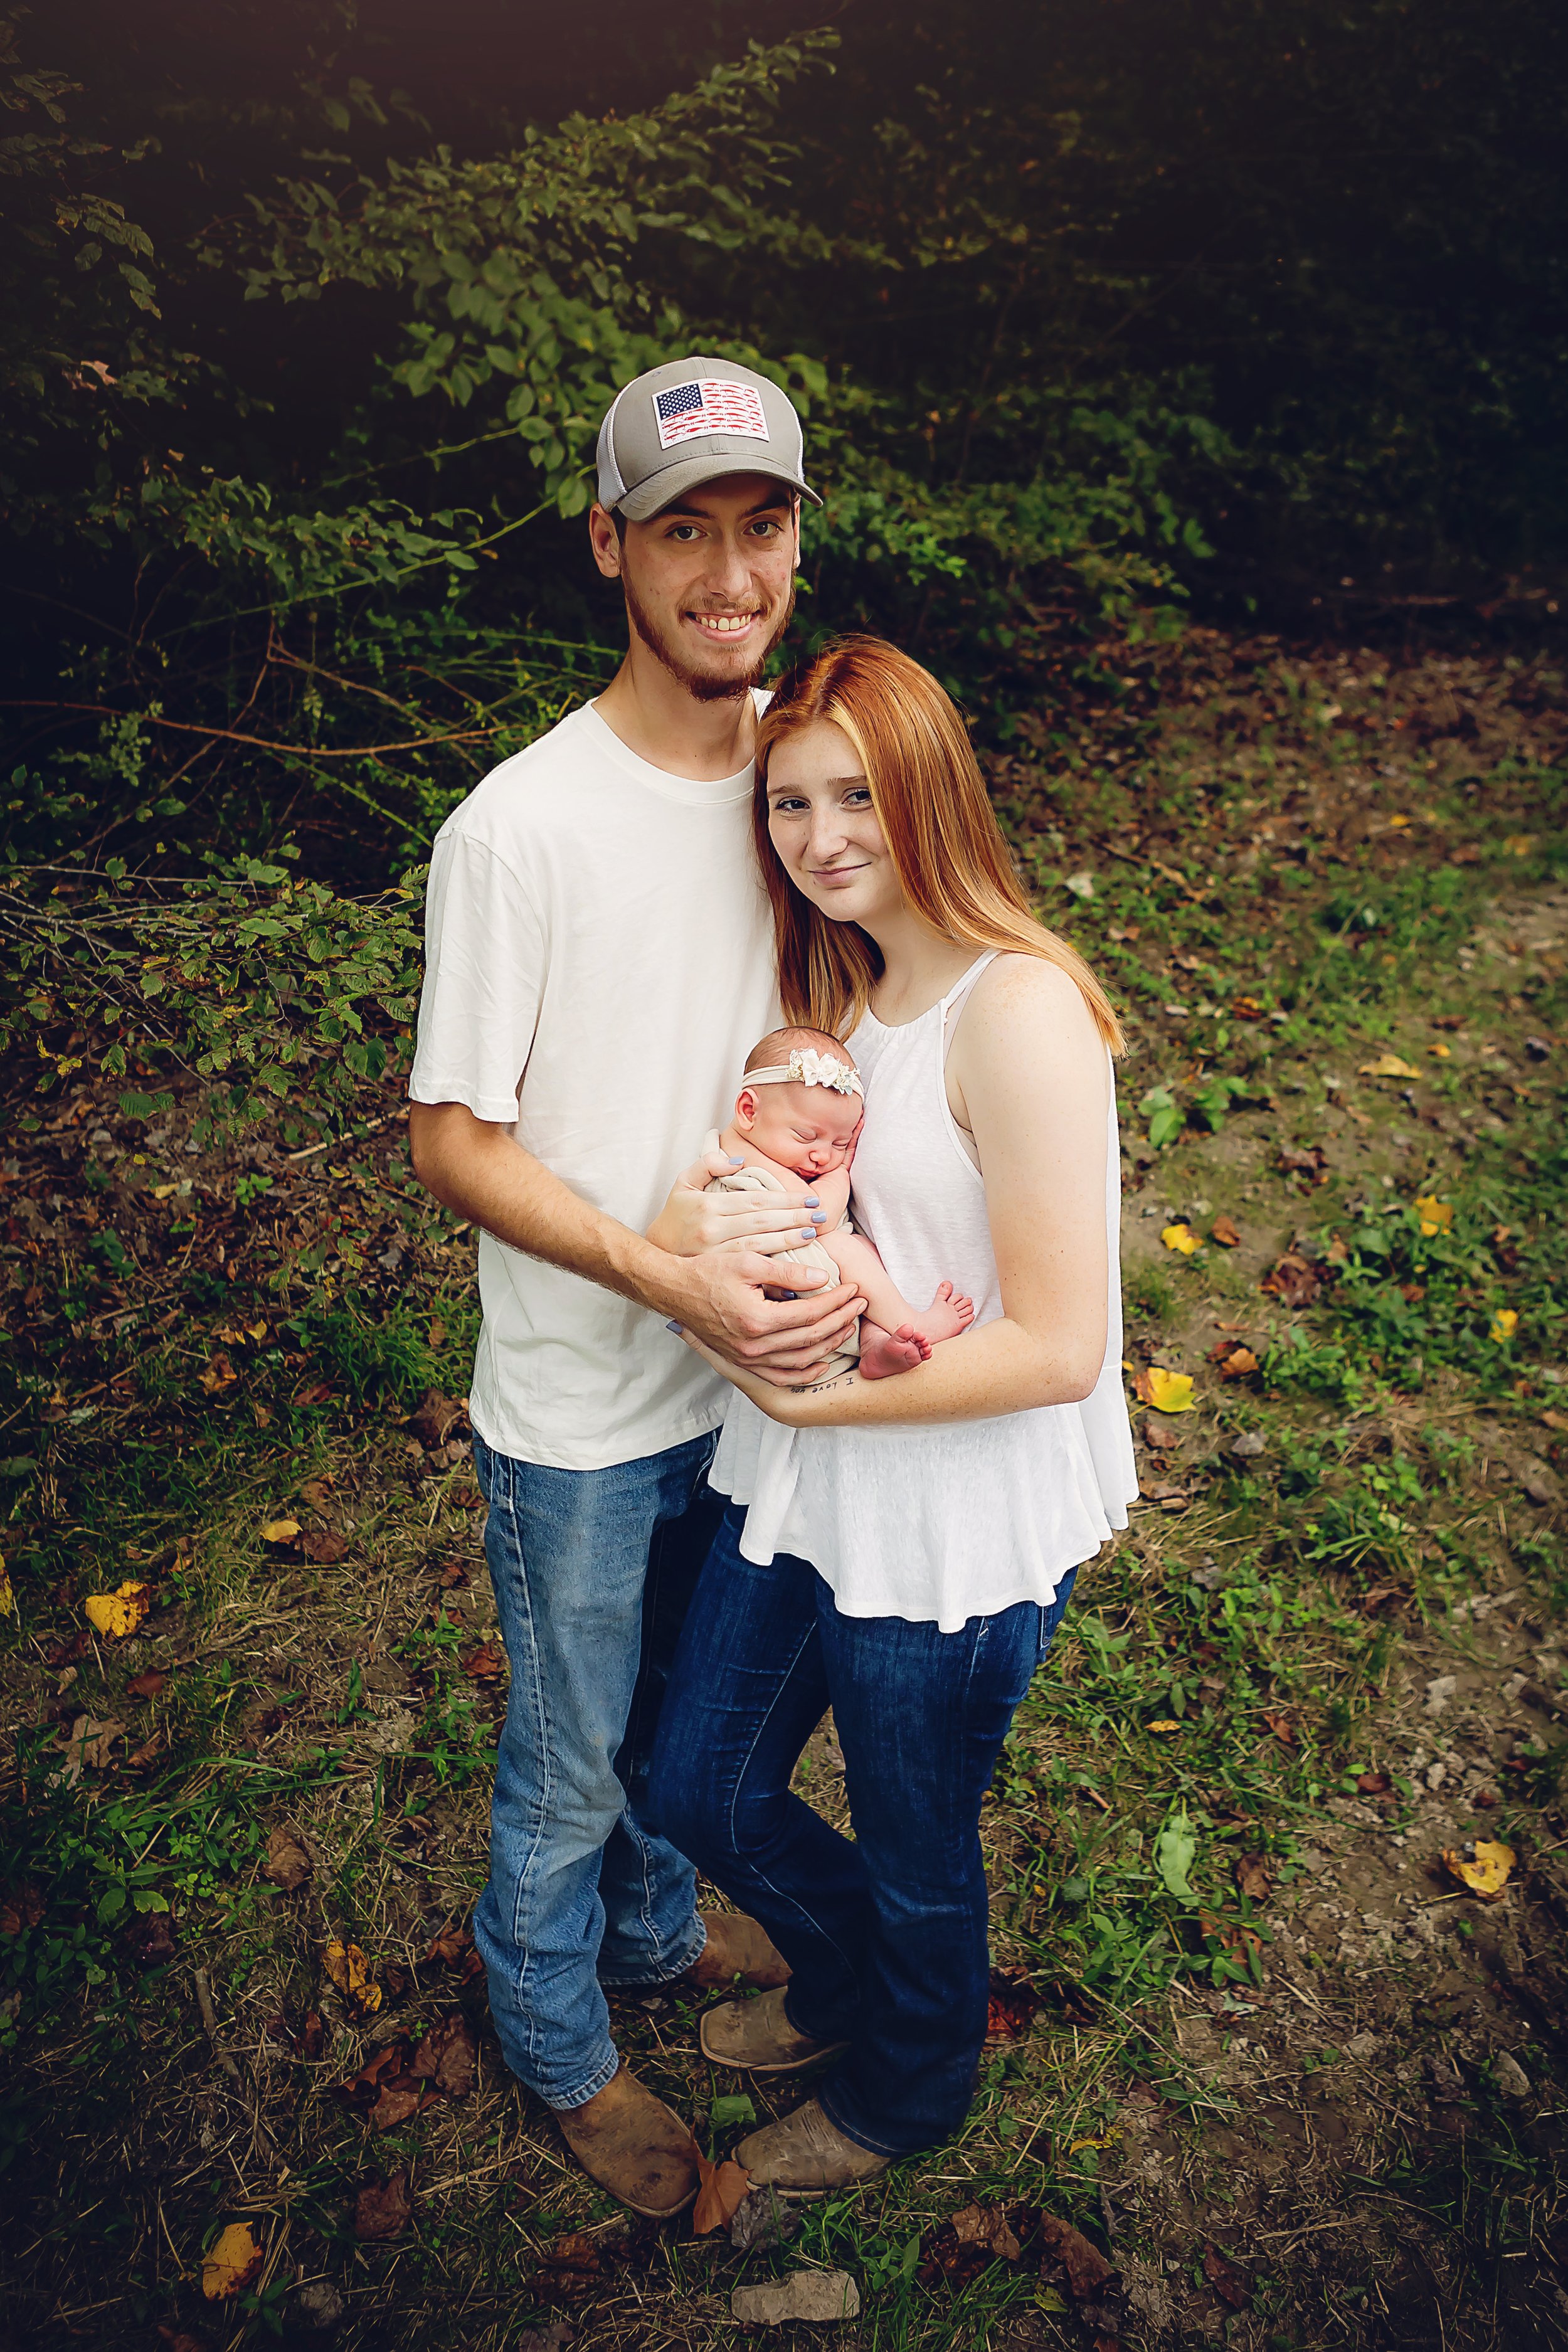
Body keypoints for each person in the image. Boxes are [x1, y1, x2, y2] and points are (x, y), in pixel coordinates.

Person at [406, 357, 869, 2220]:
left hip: (744, 1378)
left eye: (759, 525)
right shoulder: (518, 827)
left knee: (694, 1718)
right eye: (682, 528)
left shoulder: (800, 782)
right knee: (573, 1741)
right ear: (610, 545)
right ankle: (549, 2019)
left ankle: (659, 1929)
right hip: (588, 1404)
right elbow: (452, 1136)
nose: (728, 570)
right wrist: (660, 1272)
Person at [647, 635, 1139, 2193]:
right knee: (697, 1784)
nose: (822, 833)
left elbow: (1060, 1345)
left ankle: (909, 2083)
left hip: (951, 1512)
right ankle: (860, 1974)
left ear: (929, 786)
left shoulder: (1021, 1010)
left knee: (923, 1846)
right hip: (813, 1476)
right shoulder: (839, 1005)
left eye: (855, 791)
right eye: (791, 803)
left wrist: (811, 1395)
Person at [702, 1025, 976, 1379]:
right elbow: (818, 1217)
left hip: (786, 1290)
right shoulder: (742, 1156)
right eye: (806, 1135)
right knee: (846, 1247)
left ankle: (874, 1341)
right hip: (779, 1279)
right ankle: (911, 1320)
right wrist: (841, 1174)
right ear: (748, 1110)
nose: (821, 1155)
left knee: (865, 1251)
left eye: (841, 1143)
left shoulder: (753, 1143)